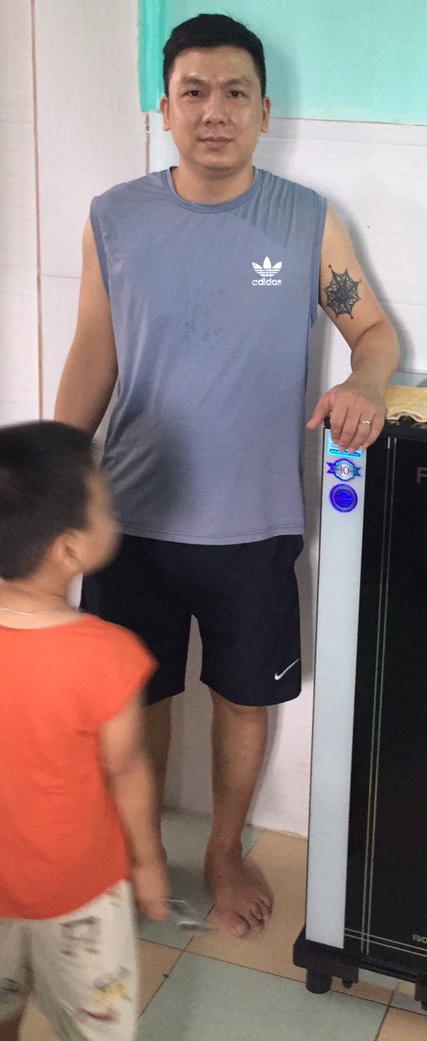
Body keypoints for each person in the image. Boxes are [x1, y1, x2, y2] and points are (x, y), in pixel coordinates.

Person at [54, 13, 400, 939]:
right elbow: (94, 353)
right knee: (139, 695)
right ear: (164, 109)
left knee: (245, 698)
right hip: (132, 515)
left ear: (264, 111)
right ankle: (141, 851)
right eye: (195, 93)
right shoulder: (115, 218)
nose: (215, 111)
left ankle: (223, 849)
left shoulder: (305, 219)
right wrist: (52, 479)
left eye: (235, 93)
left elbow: (371, 331)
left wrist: (366, 383)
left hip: (256, 518)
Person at [0, 421, 168, 1041]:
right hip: (81, 898)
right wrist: (149, 862)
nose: (114, 514)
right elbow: (127, 770)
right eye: (107, 506)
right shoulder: (108, 656)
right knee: (97, 1027)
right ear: (69, 549)